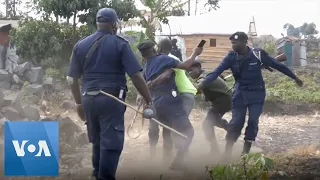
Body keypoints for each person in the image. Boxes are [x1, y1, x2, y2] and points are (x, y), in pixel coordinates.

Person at [67, 8, 153, 180]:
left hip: (88, 99)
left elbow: (71, 79)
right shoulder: (120, 44)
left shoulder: (80, 45)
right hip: (110, 100)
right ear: (114, 24)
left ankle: (96, 173)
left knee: (97, 140)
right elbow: (136, 75)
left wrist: (78, 104)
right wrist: (149, 101)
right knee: (111, 144)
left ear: (97, 23)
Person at [197, 31, 303, 157]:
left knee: (253, 121)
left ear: (244, 42)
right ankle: (227, 152)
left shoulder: (257, 54)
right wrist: (203, 83)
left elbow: (277, 65)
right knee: (236, 122)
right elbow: (216, 72)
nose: (232, 45)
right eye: (232, 43)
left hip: (257, 93)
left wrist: (294, 77)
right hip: (240, 92)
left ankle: (245, 153)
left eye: (235, 43)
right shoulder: (230, 57)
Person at [138, 39, 202, 170]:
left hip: (156, 104)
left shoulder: (146, 67)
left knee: (168, 131)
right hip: (169, 100)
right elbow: (186, 65)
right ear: (154, 49)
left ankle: (165, 160)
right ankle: (178, 160)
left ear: (143, 55)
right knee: (188, 132)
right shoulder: (163, 59)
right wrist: (195, 53)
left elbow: (145, 87)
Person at [188, 61, 231, 154]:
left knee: (207, 124)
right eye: (187, 72)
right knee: (213, 120)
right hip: (222, 100)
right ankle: (231, 129)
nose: (189, 73)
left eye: (190, 70)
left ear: (198, 67)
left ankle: (215, 149)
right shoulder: (207, 73)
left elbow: (196, 88)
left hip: (223, 101)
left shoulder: (204, 77)